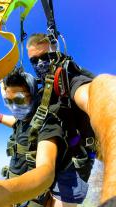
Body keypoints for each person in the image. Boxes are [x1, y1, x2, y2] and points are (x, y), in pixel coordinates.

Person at [0, 69, 95, 207]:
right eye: (8, 102)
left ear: (34, 96)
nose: (14, 107)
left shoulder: (48, 123)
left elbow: (46, 171)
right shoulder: (21, 121)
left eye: (19, 99)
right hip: (14, 197)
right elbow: (12, 120)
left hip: (27, 197)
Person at [26, 33, 116, 206]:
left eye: (45, 57)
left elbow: (96, 93)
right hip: (50, 159)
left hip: (72, 165)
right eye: (34, 60)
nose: (40, 64)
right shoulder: (41, 91)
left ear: (56, 55)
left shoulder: (68, 77)